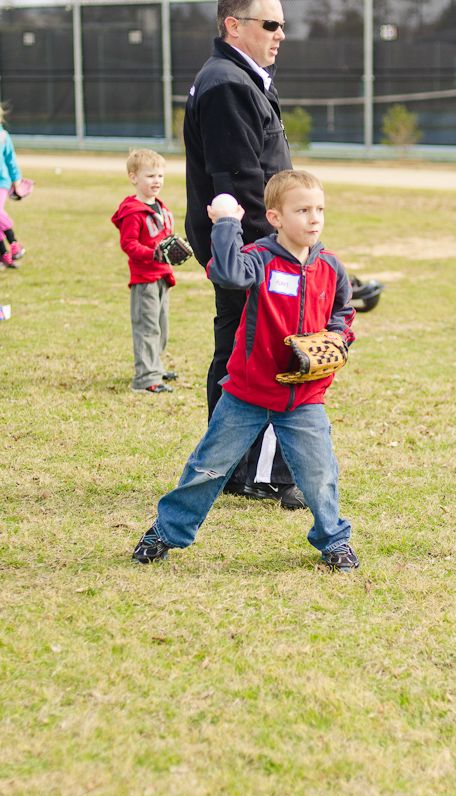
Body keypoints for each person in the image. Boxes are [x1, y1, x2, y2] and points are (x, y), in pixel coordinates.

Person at [131, 169, 360, 573]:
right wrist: (227, 224)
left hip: (303, 398)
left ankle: (334, 541)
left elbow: (343, 309)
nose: (314, 218)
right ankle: (166, 532)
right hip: (247, 395)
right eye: (302, 210)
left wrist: (339, 335)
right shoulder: (259, 259)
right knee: (207, 468)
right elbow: (228, 273)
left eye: (319, 209)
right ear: (275, 217)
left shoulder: (329, 266)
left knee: (319, 474)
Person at [183, 0, 307, 508]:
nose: (280, 34)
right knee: (260, 351)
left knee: (238, 347)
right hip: (252, 247)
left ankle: (229, 464)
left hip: (247, 246)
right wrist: (278, 252)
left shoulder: (239, 76)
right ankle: (254, 472)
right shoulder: (229, 82)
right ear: (234, 26)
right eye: (270, 24)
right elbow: (238, 185)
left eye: (283, 24)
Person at [111, 149, 179, 394]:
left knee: (161, 325)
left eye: (160, 176)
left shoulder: (161, 207)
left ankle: (155, 367)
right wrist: (152, 254)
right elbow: (129, 244)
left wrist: (174, 248)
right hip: (144, 278)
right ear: (133, 178)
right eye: (150, 176)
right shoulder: (133, 211)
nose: (157, 181)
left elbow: (164, 238)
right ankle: (145, 378)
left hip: (162, 275)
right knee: (147, 326)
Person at [0, 104, 26, 270]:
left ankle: (14, 243)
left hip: (1, 182)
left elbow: (11, 162)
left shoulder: (3, 136)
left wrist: (17, 183)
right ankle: (4, 255)